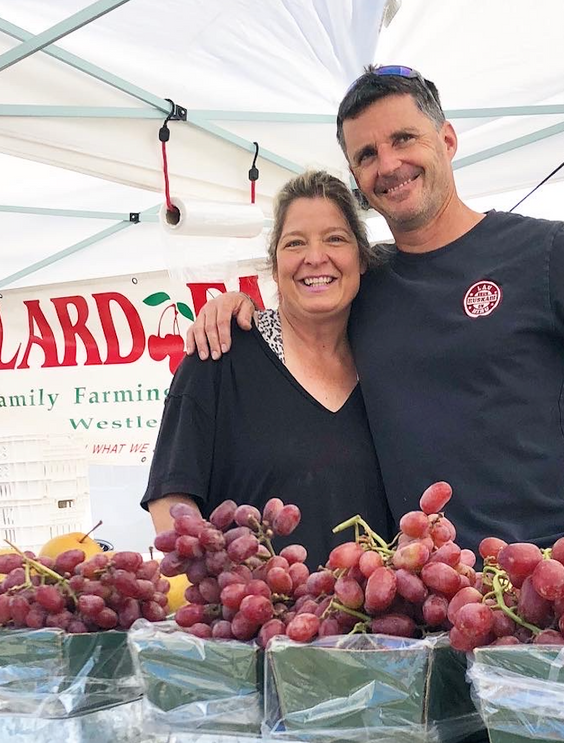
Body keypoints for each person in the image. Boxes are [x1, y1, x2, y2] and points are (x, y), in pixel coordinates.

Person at [183, 66, 564, 549]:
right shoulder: (366, 280)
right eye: (366, 155)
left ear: (448, 140)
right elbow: (306, 306)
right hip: (414, 601)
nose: (388, 164)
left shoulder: (544, 253)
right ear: (357, 179)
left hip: (538, 588)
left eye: (403, 138)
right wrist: (234, 306)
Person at [142, 170, 394, 564]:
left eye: (335, 238)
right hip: (258, 620)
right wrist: (229, 585)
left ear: (361, 260)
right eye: (295, 243)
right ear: (274, 267)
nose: (315, 257)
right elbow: (171, 502)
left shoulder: (389, 368)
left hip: (375, 622)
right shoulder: (218, 356)